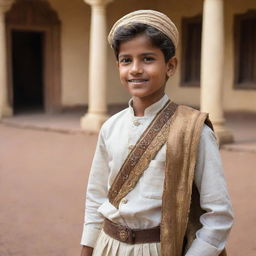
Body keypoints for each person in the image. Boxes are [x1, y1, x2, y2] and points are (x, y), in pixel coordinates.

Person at [80, 10, 233, 256]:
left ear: (170, 66)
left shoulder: (193, 130)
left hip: (159, 249)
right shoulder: (110, 127)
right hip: (106, 246)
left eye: (148, 59)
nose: (135, 69)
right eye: (126, 60)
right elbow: (96, 196)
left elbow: (219, 215)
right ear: (117, 65)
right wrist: (88, 247)